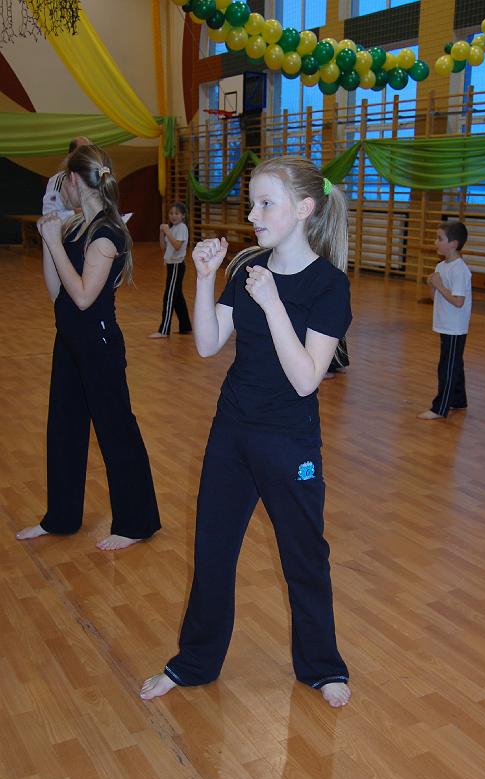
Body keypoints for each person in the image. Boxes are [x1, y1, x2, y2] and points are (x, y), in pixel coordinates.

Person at [141, 156, 352, 708]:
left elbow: (306, 379)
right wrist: (204, 277)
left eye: (265, 204)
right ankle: (194, 662)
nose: (252, 215)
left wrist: (274, 304)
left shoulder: (329, 286)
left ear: (304, 209)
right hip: (232, 432)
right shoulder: (248, 268)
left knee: (304, 556)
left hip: (289, 440)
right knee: (212, 551)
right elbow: (208, 344)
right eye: (251, 203)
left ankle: (322, 666)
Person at [16, 144, 161, 551]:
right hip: (68, 341)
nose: (59, 190)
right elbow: (57, 293)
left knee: (116, 431)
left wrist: (54, 240)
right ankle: (60, 518)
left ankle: (136, 522)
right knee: (63, 429)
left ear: (75, 180)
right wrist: (51, 240)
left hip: (98, 345)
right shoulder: (77, 225)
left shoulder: (107, 233)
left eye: (62, 182)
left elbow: (82, 297)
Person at [418, 220, 472, 420]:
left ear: (453, 244)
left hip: (455, 327)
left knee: (447, 367)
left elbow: (458, 301)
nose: (436, 242)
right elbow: (436, 298)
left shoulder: (460, 270)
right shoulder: (441, 265)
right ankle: (459, 399)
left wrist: (439, 285)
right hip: (444, 324)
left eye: (440, 238)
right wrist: (432, 285)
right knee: (454, 363)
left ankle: (440, 408)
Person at [149, 202, 192, 338]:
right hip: (171, 265)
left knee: (169, 297)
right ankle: (185, 326)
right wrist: (162, 233)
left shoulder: (182, 228)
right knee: (177, 297)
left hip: (177, 266)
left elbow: (177, 246)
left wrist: (167, 232)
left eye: (176, 213)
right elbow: (163, 247)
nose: (173, 216)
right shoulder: (173, 228)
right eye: (171, 213)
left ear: (183, 216)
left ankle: (164, 330)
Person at [42, 136, 91, 220]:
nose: (87, 155)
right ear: (71, 155)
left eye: (89, 151)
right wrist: (75, 213)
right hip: (68, 227)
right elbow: (49, 216)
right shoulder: (58, 180)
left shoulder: (94, 178)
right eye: (83, 151)